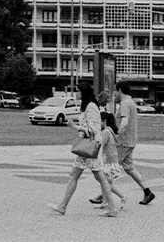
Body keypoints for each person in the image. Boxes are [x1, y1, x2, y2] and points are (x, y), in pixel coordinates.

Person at [48, 82, 118, 217]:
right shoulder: (90, 106)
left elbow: (93, 130)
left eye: (78, 91)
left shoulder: (91, 107)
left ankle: (111, 208)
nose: (76, 93)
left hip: (89, 147)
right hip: (90, 148)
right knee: (85, 176)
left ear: (84, 92)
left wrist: (75, 127)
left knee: (89, 176)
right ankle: (63, 206)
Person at [114, 81, 155, 205]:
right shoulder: (131, 102)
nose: (115, 93)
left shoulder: (125, 103)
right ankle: (147, 192)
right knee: (129, 168)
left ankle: (104, 195)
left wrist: (117, 135)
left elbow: (125, 122)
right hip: (130, 141)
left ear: (120, 90)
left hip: (123, 142)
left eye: (116, 91)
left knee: (110, 167)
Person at [93, 112, 126, 211]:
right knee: (107, 182)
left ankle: (122, 197)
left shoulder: (106, 132)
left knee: (105, 183)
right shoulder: (110, 130)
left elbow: (100, 145)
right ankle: (105, 202)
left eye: (99, 120)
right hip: (112, 160)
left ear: (104, 121)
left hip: (108, 161)